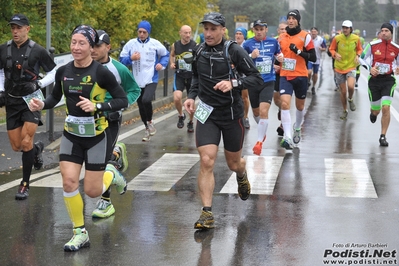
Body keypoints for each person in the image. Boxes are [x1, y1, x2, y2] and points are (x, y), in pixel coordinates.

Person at [29, 25, 128, 251]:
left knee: (93, 192)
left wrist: (97, 106)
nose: (76, 47)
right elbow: (55, 98)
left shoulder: (101, 72)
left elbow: (122, 100)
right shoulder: (63, 71)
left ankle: (111, 173)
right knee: (69, 181)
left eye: (82, 43)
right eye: (73, 42)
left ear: (91, 47)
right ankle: (79, 232)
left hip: (95, 136)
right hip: (71, 135)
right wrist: (42, 105)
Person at [183, 12, 263, 229]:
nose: (208, 33)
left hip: (231, 115)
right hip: (207, 113)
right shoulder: (198, 50)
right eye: (205, 29)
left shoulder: (233, 50)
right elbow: (196, 78)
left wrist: (234, 83)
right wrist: (191, 97)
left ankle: (242, 173)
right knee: (207, 160)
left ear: (222, 30)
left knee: (233, 163)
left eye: (212, 29)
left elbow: (256, 78)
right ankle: (207, 213)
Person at [0, 14, 57, 200]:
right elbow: (0, 72)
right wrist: (1, 90)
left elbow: (54, 70)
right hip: (12, 100)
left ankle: (24, 184)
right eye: (13, 28)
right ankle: (37, 150)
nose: (15, 31)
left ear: (27, 29)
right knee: (17, 146)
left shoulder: (38, 50)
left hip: (31, 100)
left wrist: (41, 84)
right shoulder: (3, 49)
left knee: (26, 142)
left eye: (19, 27)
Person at [90, 30, 140, 218]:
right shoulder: (84, 67)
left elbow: (134, 90)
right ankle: (117, 152)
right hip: (89, 120)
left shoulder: (119, 69)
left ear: (108, 47)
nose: (94, 50)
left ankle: (106, 202)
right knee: (91, 161)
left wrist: (121, 105)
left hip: (110, 119)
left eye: (98, 46)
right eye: (92, 45)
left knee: (102, 163)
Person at [119, 20, 169, 141]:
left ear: (148, 32)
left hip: (151, 78)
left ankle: (150, 121)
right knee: (141, 104)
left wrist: (161, 65)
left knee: (147, 99)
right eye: (140, 31)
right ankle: (147, 128)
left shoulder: (154, 43)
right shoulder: (131, 44)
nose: (141, 34)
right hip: (136, 79)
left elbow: (166, 54)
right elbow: (121, 59)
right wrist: (131, 58)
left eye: (144, 32)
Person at [243, 20, 283, 155]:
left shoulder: (273, 42)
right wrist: (250, 56)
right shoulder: (247, 43)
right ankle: (263, 131)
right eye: (257, 29)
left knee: (263, 110)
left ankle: (259, 142)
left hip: (268, 80)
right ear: (253, 30)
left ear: (266, 29)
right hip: (253, 81)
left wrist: (280, 58)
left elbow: (278, 55)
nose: (259, 32)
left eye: (261, 29)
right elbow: (240, 61)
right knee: (255, 112)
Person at [278, 10, 316, 149]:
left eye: (293, 18)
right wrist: (277, 60)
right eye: (289, 18)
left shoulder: (305, 36)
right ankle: (287, 136)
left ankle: (298, 127)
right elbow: (277, 54)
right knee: (284, 104)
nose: (291, 20)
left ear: (298, 21)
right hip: (285, 75)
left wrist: (298, 52)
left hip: (300, 75)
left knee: (300, 107)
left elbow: (313, 57)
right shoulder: (281, 37)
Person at [361, 23, 399, 147]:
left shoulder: (396, 48)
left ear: (391, 33)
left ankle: (383, 136)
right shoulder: (372, 45)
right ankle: (373, 113)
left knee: (386, 108)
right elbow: (360, 58)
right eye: (382, 30)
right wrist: (370, 68)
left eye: (386, 30)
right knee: (376, 110)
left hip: (389, 80)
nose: (383, 33)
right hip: (374, 81)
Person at [329, 20, 363, 120]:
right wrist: (335, 54)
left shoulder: (356, 38)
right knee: (343, 92)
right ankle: (345, 110)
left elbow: (359, 49)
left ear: (351, 29)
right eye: (343, 27)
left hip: (351, 66)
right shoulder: (337, 38)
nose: (345, 29)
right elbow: (331, 49)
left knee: (351, 86)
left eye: (347, 28)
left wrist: (358, 55)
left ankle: (351, 99)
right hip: (339, 67)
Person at [169, 25, 197, 132]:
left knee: (191, 101)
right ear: (180, 33)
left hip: (191, 76)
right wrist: (172, 63)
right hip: (179, 75)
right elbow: (172, 55)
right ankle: (181, 115)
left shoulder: (195, 45)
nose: (188, 35)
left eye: (189, 32)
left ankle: (190, 121)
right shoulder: (175, 45)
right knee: (177, 97)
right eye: (185, 33)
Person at [234, 27, 251, 129]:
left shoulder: (247, 45)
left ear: (244, 35)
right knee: (234, 97)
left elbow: (251, 58)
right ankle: (236, 117)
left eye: (240, 34)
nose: (238, 36)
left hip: (244, 74)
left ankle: (245, 117)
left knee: (244, 98)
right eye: (237, 34)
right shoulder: (232, 45)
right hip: (234, 74)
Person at [274, 22, 287, 136]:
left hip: (287, 75)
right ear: (278, 31)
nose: (283, 31)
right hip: (276, 74)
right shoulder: (274, 42)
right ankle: (280, 109)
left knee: (285, 102)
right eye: (281, 29)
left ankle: (283, 125)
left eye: (285, 29)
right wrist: (274, 66)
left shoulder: (290, 41)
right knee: (276, 100)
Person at [307, 27, 326, 95]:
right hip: (309, 58)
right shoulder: (308, 39)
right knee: (309, 72)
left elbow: (325, 48)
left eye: (315, 32)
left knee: (315, 74)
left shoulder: (320, 40)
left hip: (317, 59)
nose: (313, 33)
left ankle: (313, 86)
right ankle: (308, 81)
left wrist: (321, 49)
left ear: (317, 32)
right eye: (312, 31)